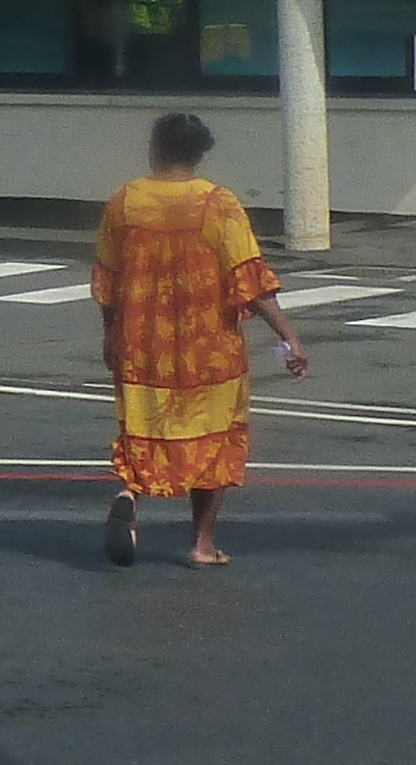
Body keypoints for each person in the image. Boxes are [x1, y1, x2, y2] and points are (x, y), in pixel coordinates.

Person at [93, 110, 309, 568]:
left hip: (142, 345)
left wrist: (111, 332)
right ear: (200, 154)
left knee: (144, 429)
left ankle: (130, 491)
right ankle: (202, 543)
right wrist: (289, 338)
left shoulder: (126, 201)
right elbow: (249, 278)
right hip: (208, 349)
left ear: (154, 149)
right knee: (215, 440)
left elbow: (107, 280)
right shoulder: (218, 204)